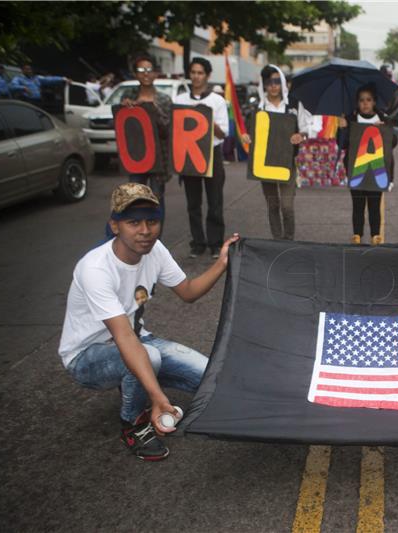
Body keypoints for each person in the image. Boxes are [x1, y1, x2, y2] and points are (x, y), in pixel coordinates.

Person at [58, 183, 240, 461]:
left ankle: (140, 382)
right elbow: (123, 337)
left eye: (152, 221)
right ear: (115, 225)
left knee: (211, 378)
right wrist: (157, 397)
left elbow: (188, 292)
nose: (145, 230)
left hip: (137, 340)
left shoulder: (155, 251)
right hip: (87, 356)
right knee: (148, 356)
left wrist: (221, 263)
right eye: (133, 222)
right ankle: (133, 423)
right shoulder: (95, 268)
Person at [241, 64, 312, 241]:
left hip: (287, 163)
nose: (273, 85)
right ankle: (277, 240)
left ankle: (288, 239)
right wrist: (246, 137)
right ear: (263, 84)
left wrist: (300, 136)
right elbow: (250, 132)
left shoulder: (294, 105)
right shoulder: (258, 107)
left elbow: (305, 130)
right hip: (265, 164)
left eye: (276, 81)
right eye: (268, 81)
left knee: (287, 205)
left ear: (281, 82)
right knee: (272, 204)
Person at [174, 58, 229, 259]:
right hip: (189, 154)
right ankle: (198, 243)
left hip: (212, 153)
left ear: (207, 75)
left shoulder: (218, 101)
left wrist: (209, 121)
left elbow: (224, 135)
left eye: (200, 73)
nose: (196, 76)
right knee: (193, 202)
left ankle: (215, 243)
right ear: (190, 74)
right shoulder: (180, 100)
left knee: (215, 201)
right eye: (193, 72)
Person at [338, 85, 396, 245]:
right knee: (357, 204)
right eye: (362, 100)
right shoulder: (350, 119)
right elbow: (342, 144)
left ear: (374, 102)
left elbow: (393, 142)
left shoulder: (383, 118)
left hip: (376, 170)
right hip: (357, 170)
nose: (365, 103)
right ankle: (357, 234)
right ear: (357, 103)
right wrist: (342, 129)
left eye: (369, 100)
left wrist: (383, 129)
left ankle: (375, 234)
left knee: (374, 204)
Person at [121, 55, 172, 228]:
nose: (146, 74)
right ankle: (138, 236)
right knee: (136, 198)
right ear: (135, 74)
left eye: (149, 70)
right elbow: (122, 126)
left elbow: (168, 130)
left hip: (159, 158)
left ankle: (157, 240)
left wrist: (154, 109)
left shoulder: (164, 99)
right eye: (141, 70)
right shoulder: (128, 96)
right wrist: (129, 107)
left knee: (157, 198)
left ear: (156, 73)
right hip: (136, 156)